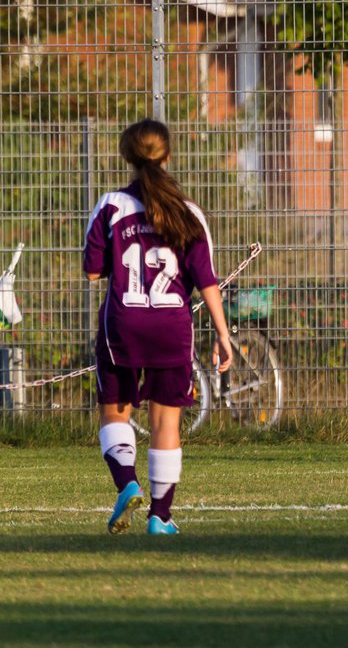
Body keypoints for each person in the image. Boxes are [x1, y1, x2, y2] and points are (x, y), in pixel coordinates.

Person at [83, 119, 234, 536]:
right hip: (172, 327)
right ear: (168, 156)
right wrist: (223, 335)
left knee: (115, 410)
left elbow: (93, 273)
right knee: (167, 422)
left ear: (127, 157)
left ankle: (126, 481)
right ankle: (160, 517)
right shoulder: (188, 212)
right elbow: (206, 281)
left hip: (123, 325)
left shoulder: (111, 205)